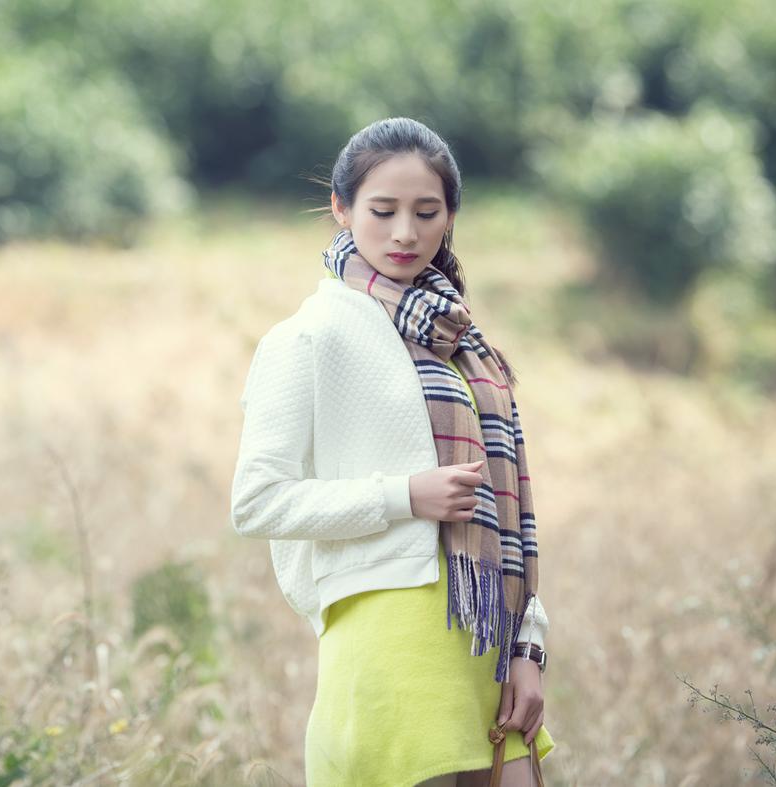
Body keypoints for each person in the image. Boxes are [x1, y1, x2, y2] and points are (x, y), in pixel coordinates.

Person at [229, 117, 557, 786]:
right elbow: (256, 501)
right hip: (388, 633)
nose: (405, 232)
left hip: (487, 641)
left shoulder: (465, 344)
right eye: (383, 211)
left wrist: (530, 645)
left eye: (426, 212)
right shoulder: (307, 337)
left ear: (450, 217)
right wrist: (404, 495)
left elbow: (509, 515)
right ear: (341, 208)